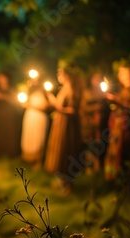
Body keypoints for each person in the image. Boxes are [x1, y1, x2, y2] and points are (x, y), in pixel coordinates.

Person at [44, 63, 85, 192]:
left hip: (68, 126)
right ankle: (62, 182)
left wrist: (59, 109)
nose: (58, 75)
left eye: (61, 73)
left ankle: (68, 185)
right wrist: (49, 95)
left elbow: (73, 110)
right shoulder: (64, 88)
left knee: (66, 150)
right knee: (59, 150)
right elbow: (59, 105)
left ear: (68, 75)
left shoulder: (72, 89)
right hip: (61, 123)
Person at [104, 63, 130, 181]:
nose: (124, 77)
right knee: (114, 152)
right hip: (117, 126)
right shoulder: (122, 89)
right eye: (121, 74)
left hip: (128, 127)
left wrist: (117, 101)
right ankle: (113, 180)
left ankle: (128, 180)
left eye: (126, 74)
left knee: (126, 151)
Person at [0, 70, 23, 158]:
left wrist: (4, 97)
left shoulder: (12, 89)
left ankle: (10, 152)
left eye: (3, 78)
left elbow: (17, 102)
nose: (1, 80)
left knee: (9, 132)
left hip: (9, 115)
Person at [20, 75, 51, 169]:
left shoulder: (45, 92)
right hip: (30, 117)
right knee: (29, 137)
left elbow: (46, 106)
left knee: (38, 137)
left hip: (39, 117)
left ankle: (38, 160)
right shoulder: (28, 91)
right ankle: (28, 159)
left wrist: (32, 106)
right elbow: (24, 101)